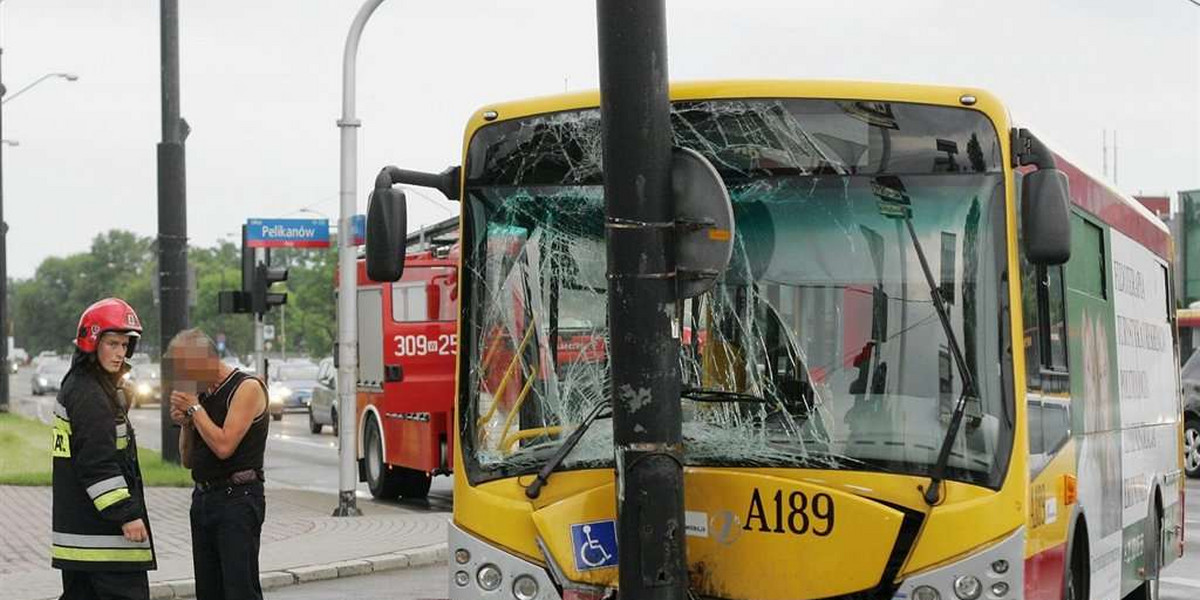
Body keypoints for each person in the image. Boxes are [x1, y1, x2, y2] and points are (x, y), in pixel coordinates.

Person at [52, 298, 155, 600]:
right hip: (105, 541)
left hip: (85, 536)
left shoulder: (86, 385)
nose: (120, 353)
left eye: (125, 345)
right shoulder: (89, 394)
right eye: (112, 344)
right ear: (92, 342)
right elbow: (97, 464)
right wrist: (126, 514)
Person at [167, 328, 269, 600]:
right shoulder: (201, 395)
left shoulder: (246, 387)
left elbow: (224, 446)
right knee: (208, 590)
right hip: (203, 499)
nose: (181, 378)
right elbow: (188, 460)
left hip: (238, 498)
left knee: (239, 588)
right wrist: (187, 425)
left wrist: (195, 409)